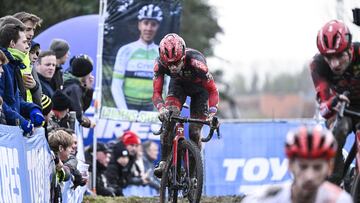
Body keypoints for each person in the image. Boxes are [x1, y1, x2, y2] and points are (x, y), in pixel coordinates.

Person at [152, 33, 219, 177]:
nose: (173, 68)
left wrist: (212, 113)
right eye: (169, 65)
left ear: (183, 56)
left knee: (195, 132)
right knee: (169, 117)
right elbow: (156, 93)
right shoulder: (159, 64)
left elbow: (213, 91)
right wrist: (161, 108)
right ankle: (164, 162)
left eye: (176, 63)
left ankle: (193, 175)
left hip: (200, 92)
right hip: (178, 87)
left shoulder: (197, 63)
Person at [242, 125, 352, 203]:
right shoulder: (262, 200)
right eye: (303, 166)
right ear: (290, 165)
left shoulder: (340, 200)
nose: (309, 176)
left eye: (317, 167)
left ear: (329, 167)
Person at [310, 19, 360, 185]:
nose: (335, 64)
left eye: (339, 55)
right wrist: (333, 102)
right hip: (340, 108)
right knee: (338, 128)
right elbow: (324, 107)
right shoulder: (317, 65)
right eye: (329, 57)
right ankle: (334, 179)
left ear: (350, 48)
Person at [111, 4, 163, 111]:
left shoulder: (161, 53)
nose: (149, 28)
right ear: (139, 25)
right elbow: (116, 85)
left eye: (153, 24)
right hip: (128, 107)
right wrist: (124, 111)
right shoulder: (125, 50)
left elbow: (166, 86)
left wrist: (159, 111)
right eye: (146, 23)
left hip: (152, 109)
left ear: (158, 27)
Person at [0, 24, 44, 135]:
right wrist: (21, 121)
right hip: (5, 133)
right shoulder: (4, 66)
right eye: (24, 42)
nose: (27, 47)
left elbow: (17, 99)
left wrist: (33, 109)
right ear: (12, 43)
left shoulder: (14, 65)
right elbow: (1, 103)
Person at [62, 54, 95, 128]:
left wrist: (88, 89)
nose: (90, 75)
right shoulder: (73, 86)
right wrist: (88, 123)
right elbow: (78, 114)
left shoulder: (76, 84)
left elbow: (82, 109)